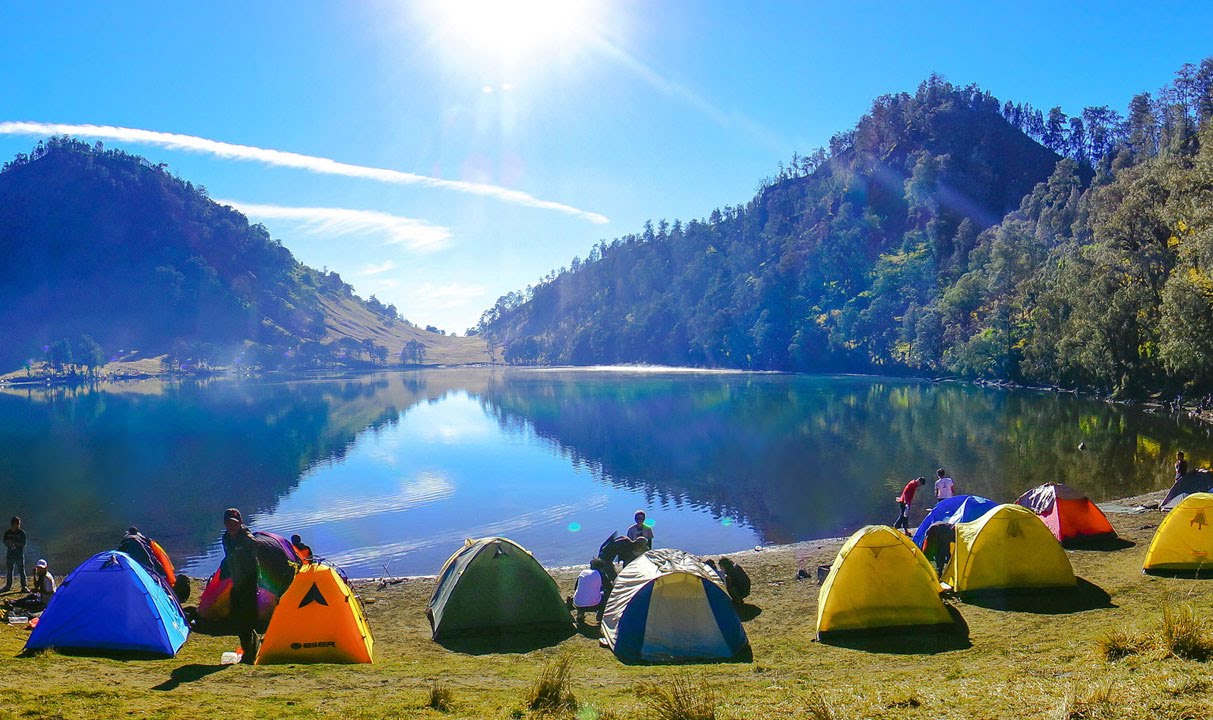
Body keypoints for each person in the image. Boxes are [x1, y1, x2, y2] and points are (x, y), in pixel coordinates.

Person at [221, 508, 260, 664]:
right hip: (237, 582)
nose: (231, 526)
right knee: (238, 617)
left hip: (249, 582)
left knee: (247, 618)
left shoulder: (246, 538)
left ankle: (249, 653)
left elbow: (255, 544)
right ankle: (248, 649)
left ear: (240, 523)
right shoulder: (226, 538)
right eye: (229, 523)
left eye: (234, 523)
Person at [570, 557, 612, 625]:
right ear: (601, 567)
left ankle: (580, 615)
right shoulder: (601, 574)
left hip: (577, 603)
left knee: (583, 594)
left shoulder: (583, 573)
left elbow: (576, 588)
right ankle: (600, 616)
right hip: (594, 605)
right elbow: (609, 588)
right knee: (607, 595)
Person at [3, 516, 27, 593]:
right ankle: (8, 586)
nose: (18, 525)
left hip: (19, 555)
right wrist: (9, 543)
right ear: (13, 524)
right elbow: (5, 542)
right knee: (9, 571)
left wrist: (15, 543)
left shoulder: (21, 533)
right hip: (10, 555)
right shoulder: (8, 533)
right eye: (17, 523)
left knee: (21, 571)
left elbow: (23, 544)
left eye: (18, 524)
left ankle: (24, 587)